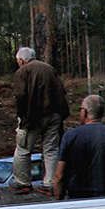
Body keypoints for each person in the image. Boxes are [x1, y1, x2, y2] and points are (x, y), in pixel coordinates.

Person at [12, 47, 69, 195]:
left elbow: (20, 96)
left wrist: (21, 117)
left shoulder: (22, 72)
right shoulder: (50, 69)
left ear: (21, 60)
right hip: (54, 115)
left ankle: (23, 183)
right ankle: (50, 184)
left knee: (23, 149)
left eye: (18, 61)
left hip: (32, 117)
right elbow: (61, 91)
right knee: (51, 150)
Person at [53, 95, 105, 200]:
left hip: (77, 196)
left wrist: (59, 197)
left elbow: (59, 174)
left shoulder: (70, 136)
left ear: (84, 112)